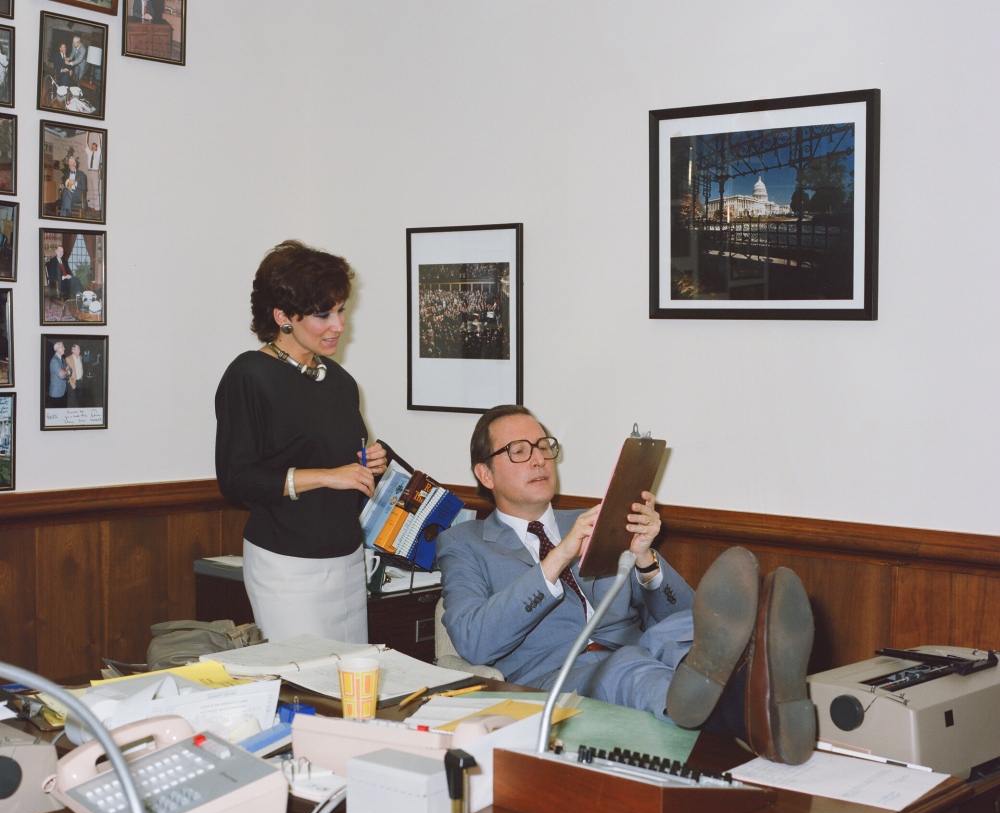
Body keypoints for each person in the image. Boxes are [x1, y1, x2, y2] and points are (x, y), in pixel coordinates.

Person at [436, 405, 817, 765]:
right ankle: (758, 707)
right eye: (519, 451)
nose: (539, 459)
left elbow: (689, 615)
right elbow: (473, 639)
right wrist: (558, 558)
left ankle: (759, 660)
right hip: (558, 677)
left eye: (543, 447)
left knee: (679, 631)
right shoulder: (465, 543)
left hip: (641, 647)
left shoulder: (595, 519)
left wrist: (645, 559)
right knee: (629, 668)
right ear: (485, 475)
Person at [215, 240, 388, 644]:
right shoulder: (250, 375)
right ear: (283, 317)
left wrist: (367, 464)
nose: (339, 325)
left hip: (347, 559)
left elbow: (341, 469)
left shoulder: (341, 382)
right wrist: (328, 476)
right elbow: (237, 480)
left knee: (352, 688)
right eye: (322, 314)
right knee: (306, 688)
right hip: (286, 567)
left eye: (341, 310)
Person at [47, 342, 70, 408]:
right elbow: (61, 376)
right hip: (56, 393)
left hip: (63, 391)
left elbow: (70, 369)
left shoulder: (62, 359)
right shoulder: (54, 360)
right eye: (62, 347)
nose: (64, 348)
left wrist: (66, 371)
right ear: (57, 348)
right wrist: (67, 372)